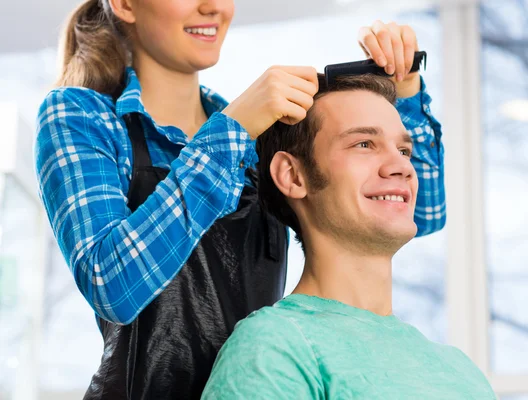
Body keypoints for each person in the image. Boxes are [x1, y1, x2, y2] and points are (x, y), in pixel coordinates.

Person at [34, 0, 445, 396]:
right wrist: (234, 128)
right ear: (124, 4)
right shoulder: (82, 116)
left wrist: (405, 90)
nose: (214, 6)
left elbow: (420, 213)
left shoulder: (251, 139)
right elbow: (111, 284)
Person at [201, 73, 493, 399]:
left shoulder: (459, 370)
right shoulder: (274, 347)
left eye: (404, 150)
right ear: (293, 176)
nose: (402, 167)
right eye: (364, 144)